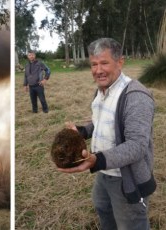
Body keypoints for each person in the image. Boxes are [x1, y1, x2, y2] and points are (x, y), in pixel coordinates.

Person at [58, 38, 156, 230]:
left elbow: (137, 146)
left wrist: (97, 160)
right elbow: (100, 122)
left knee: (131, 224)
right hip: (104, 173)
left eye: (104, 63)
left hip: (127, 179)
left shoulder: (135, 96)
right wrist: (81, 131)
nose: (98, 70)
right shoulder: (102, 91)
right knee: (103, 209)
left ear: (120, 62)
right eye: (94, 64)